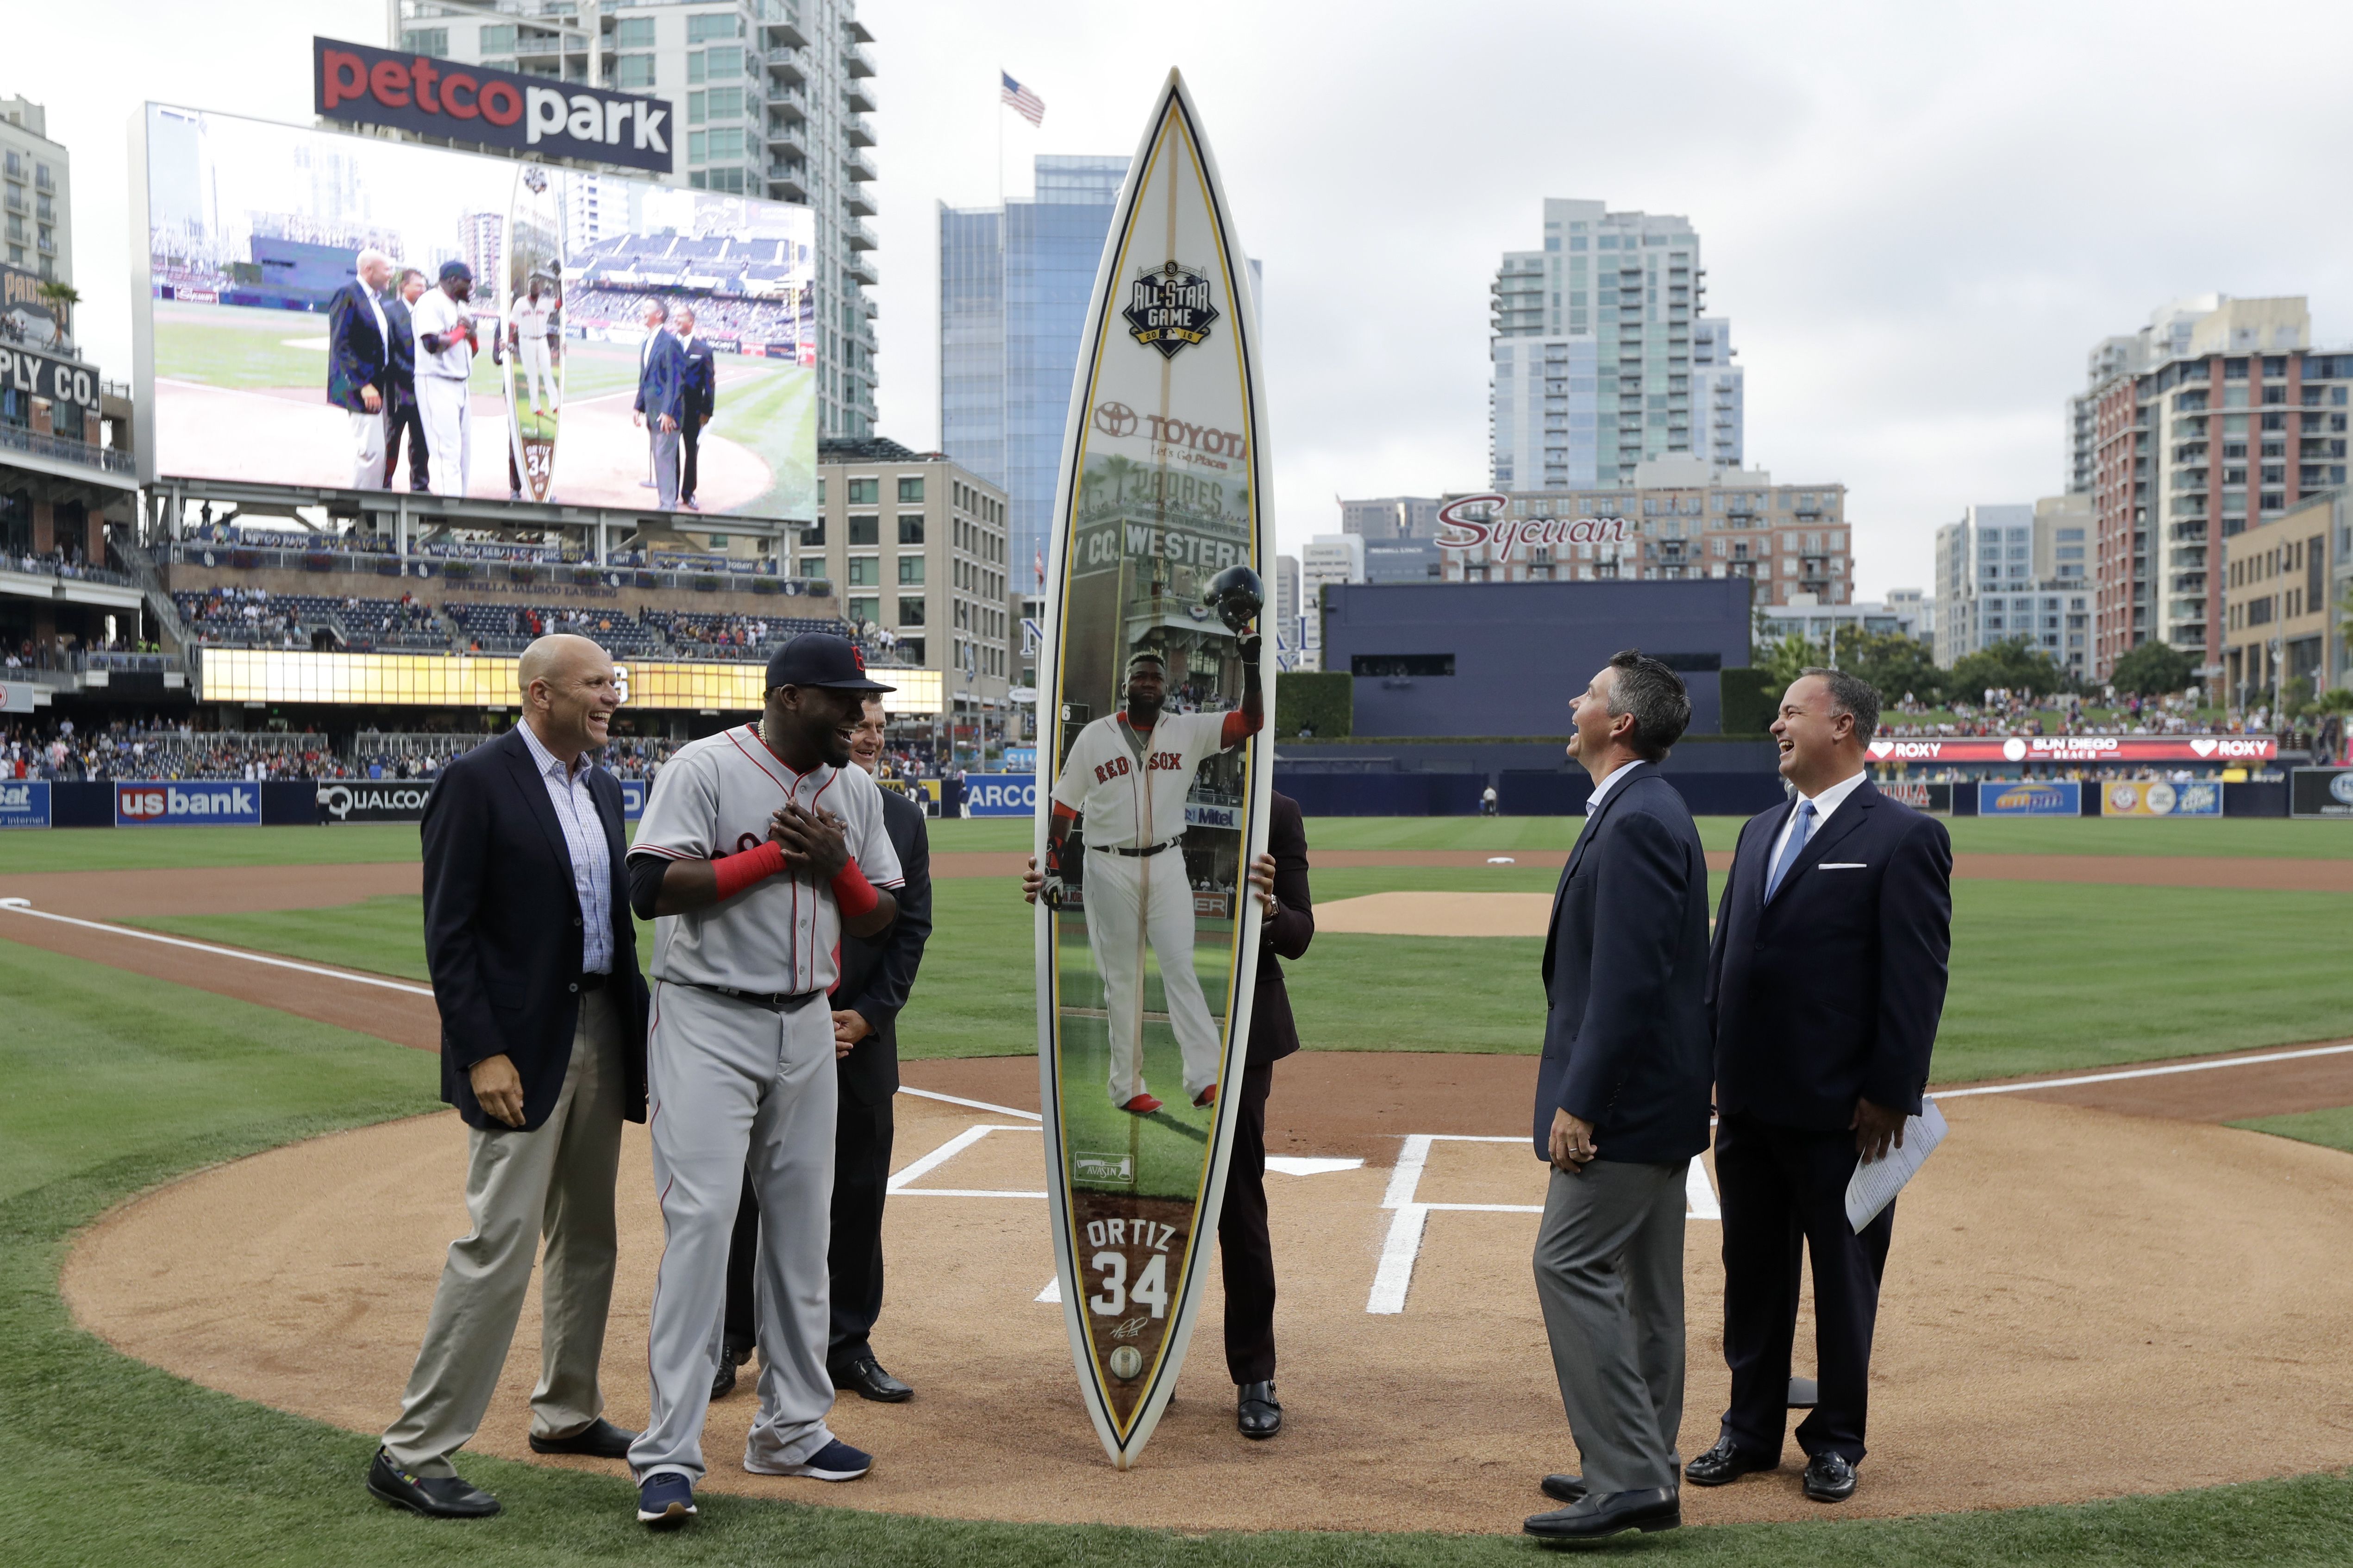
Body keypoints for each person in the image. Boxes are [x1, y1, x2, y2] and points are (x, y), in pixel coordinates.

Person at [621, 633, 905, 1530]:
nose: (860, 715)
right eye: (842, 698)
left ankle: (792, 1425)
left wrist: (835, 864)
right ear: (788, 697)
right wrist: (773, 861)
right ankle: (667, 1454)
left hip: (806, 1024)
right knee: (702, 1222)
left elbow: (880, 916)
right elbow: (650, 885)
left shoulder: (853, 791)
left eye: (863, 699)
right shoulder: (704, 767)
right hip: (706, 1017)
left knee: (800, 1226)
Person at [368, 634, 649, 1520]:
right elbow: (447, 932)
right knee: (498, 1244)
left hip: (600, 1025)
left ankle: (567, 1411)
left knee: (589, 1235)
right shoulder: (477, 780)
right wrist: (480, 1048)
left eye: (614, 684)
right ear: (540, 695)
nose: (613, 697)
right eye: (596, 685)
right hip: (520, 1046)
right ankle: (413, 1449)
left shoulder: (602, 786)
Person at [1692, 668, 1952, 1506]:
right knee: (1752, 1274)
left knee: (1843, 1285)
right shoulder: (1760, 827)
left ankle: (1835, 1439)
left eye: (1789, 712)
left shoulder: (1904, 835)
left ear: (1841, 724)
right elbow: (1725, 960)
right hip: (1749, 1106)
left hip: (1846, 1117)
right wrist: (1704, 1065)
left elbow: (1915, 978)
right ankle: (1746, 1429)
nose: (1775, 724)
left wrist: (1890, 1091)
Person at [1523, 650, 1713, 1543]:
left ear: (1620, 723)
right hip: (1659, 1098)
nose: (1574, 699)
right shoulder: (1642, 808)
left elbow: (1629, 983)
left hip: (1627, 1107)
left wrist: (1581, 1100)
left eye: (1588, 693)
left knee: (1565, 1263)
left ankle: (1633, 1475)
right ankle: (1637, 1458)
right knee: (1647, 1291)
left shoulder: (1637, 817)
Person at [715, 693, 933, 1407]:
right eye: (856, 724)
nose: (867, 736)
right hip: (772, 1027)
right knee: (747, 1193)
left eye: (876, 726)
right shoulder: (768, 800)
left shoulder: (900, 817)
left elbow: (910, 929)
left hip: (858, 1039)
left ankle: (847, 1343)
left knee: (859, 1195)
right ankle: (730, 1338)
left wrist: (867, 1018)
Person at [1039, 645, 1263, 1112]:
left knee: (1181, 966)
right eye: (1140, 675)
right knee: (1123, 980)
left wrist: (1252, 665)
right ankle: (1126, 1086)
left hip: (1167, 864)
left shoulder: (1187, 730)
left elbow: (1250, 721)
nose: (1148, 682)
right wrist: (1054, 865)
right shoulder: (1095, 736)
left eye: (1156, 677)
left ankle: (1204, 1078)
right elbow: (1064, 806)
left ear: (1166, 688)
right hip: (1109, 864)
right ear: (1125, 685)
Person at [326, 247, 394, 491]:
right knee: (371, 452)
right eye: (387, 269)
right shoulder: (348, 295)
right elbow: (341, 346)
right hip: (363, 387)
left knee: (377, 452)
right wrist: (363, 385)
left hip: (380, 386)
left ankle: (369, 509)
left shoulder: (376, 301)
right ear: (368, 270)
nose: (391, 275)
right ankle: (362, 512)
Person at [413, 261, 479, 499]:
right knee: (446, 453)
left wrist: (471, 336)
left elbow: (472, 349)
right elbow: (431, 343)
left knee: (463, 455)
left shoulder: (461, 308)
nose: (470, 288)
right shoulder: (431, 301)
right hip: (436, 381)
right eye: (467, 282)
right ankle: (446, 518)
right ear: (452, 280)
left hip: (461, 384)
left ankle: (457, 509)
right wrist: (462, 332)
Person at [381, 268, 431, 492]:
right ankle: (384, 484)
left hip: (422, 389)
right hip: (396, 389)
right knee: (391, 441)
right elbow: (388, 351)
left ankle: (420, 486)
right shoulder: (389, 311)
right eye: (419, 285)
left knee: (421, 442)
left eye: (425, 286)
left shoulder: (427, 313)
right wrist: (411, 373)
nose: (423, 289)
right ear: (404, 286)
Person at [633, 299, 686, 510]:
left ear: (659, 315)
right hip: (653, 413)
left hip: (666, 415)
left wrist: (668, 412)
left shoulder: (670, 342)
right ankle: (667, 502)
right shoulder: (647, 342)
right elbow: (645, 379)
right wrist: (639, 407)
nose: (642, 311)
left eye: (647, 308)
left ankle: (667, 506)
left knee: (664, 459)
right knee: (661, 458)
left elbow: (676, 380)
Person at [676, 306, 716, 512]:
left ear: (691, 321)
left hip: (693, 412)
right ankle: (671, 492)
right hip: (672, 411)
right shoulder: (670, 346)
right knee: (671, 452)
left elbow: (709, 384)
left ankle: (688, 493)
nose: (676, 319)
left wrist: (707, 413)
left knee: (692, 454)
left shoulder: (704, 350)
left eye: (680, 316)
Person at [509, 277, 560, 418]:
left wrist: (560, 282)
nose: (535, 288)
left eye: (537, 286)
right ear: (529, 288)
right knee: (532, 375)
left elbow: (560, 303)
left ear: (540, 289)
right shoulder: (520, 303)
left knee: (547, 372)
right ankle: (535, 406)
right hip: (526, 341)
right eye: (533, 285)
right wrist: (510, 341)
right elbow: (512, 324)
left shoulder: (545, 303)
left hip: (542, 340)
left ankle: (555, 404)